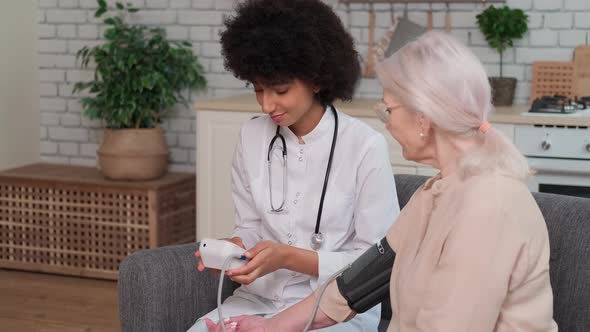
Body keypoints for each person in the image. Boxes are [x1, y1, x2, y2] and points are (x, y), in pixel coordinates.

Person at [212, 31, 559, 331]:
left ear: (423, 117)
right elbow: (353, 286)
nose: (386, 124)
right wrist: (269, 327)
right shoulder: (434, 194)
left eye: (388, 110)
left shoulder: (487, 207)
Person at [186, 0, 400, 331]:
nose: (266, 104)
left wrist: (290, 258)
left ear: (316, 80)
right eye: (258, 89)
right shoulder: (251, 136)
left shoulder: (364, 147)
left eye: (280, 90)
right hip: (258, 301)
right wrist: (236, 248)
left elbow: (377, 262)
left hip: (337, 309)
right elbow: (250, 224)